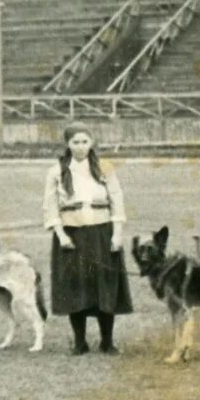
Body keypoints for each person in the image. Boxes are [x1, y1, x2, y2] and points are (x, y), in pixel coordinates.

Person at [43, 123, 132, 355]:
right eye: (75, 142)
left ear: (91, 142)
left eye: (84, 142)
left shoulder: (105, 168)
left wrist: (117, 234)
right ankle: (80, 342)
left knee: (105, 287)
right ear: (67, 144)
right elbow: (50, 207)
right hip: (72, 236)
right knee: (76, 288)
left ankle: (107, 341)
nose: (80, 147)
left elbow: (117, 201)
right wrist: (61, 235)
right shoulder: (56, 171)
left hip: (101, 234)